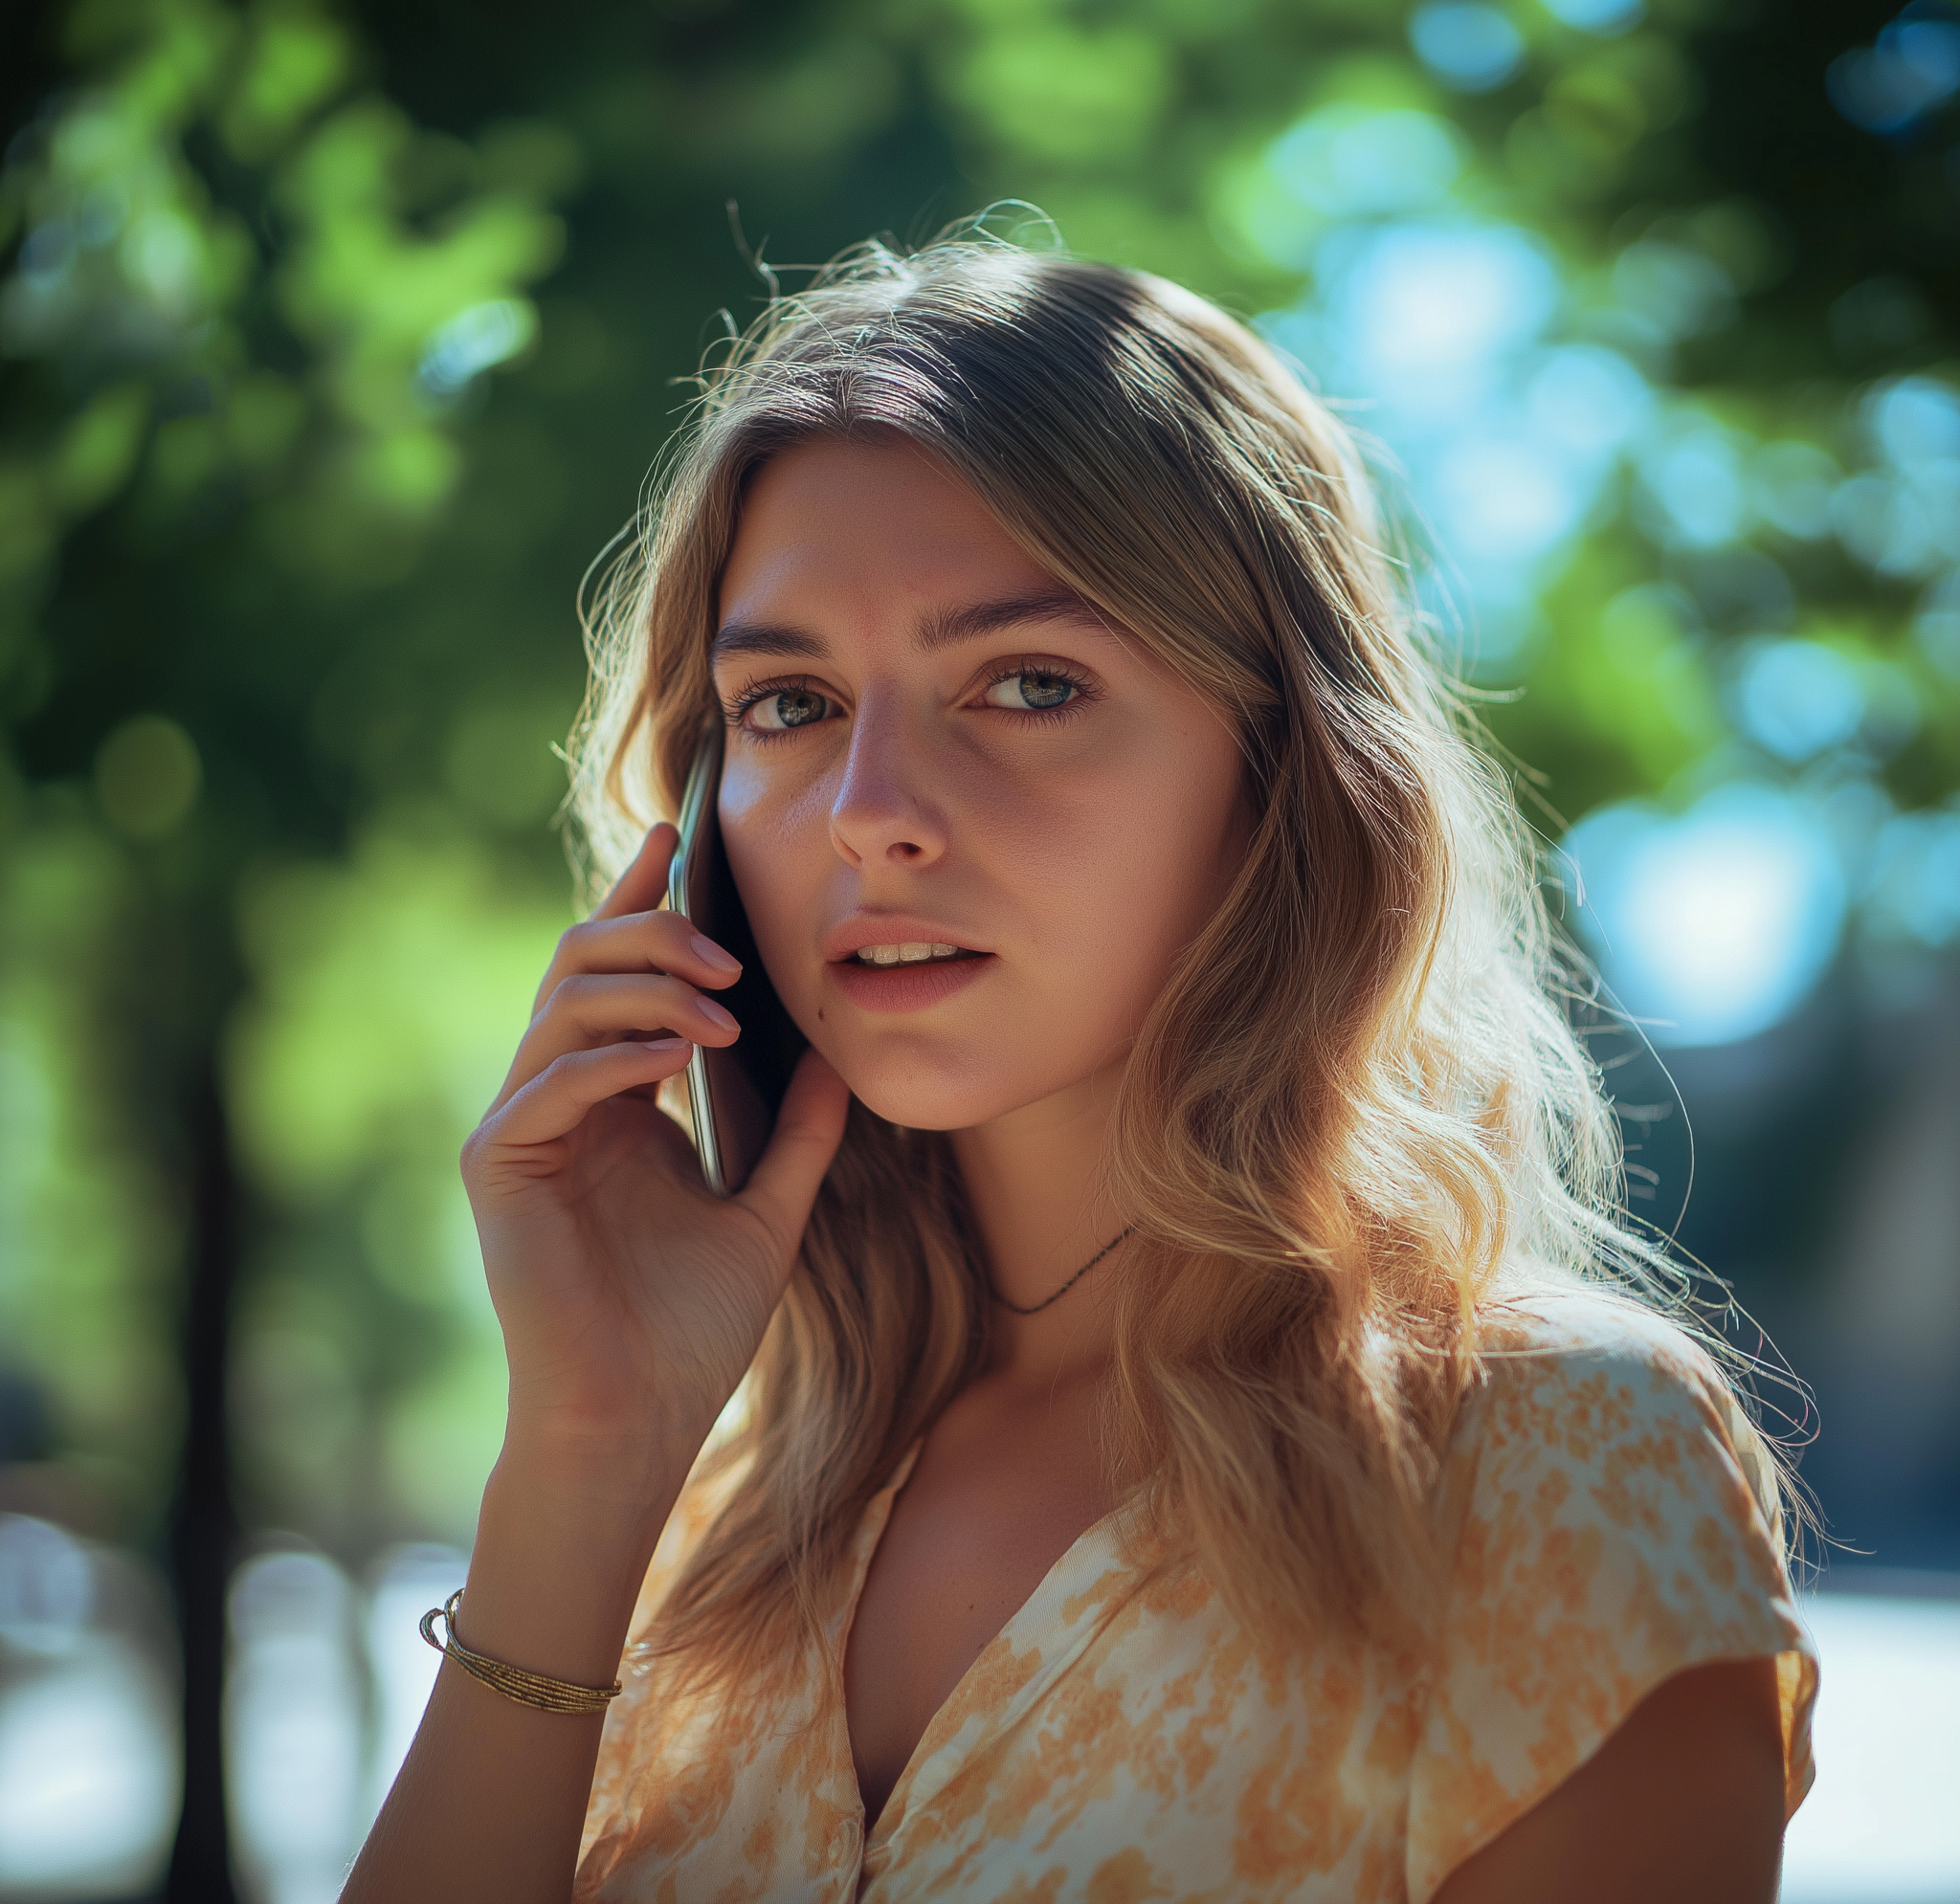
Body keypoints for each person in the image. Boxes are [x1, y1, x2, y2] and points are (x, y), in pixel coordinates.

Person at [344, 232, 1816, 1904]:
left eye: (1029, 684)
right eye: (788, 704)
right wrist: (585, 1455)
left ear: (1284, 768)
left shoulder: (1549, 1463)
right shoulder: (710, 1526)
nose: (870, 808)